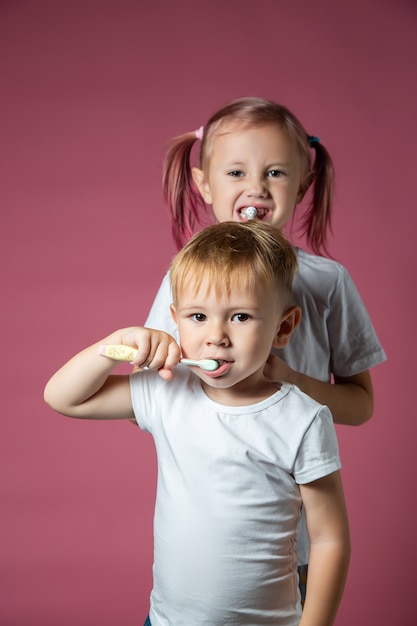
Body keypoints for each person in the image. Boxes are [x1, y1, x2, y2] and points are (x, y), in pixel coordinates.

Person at [44, 221, 351, 626]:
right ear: (175, 321)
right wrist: (117, 344)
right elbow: (62, 397)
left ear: (283, 327)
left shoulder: (304, 420)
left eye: (240, 317)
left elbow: (330, 539)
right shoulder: (166, 392)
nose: (216, 336)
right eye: (198, 316)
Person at [144, 96, 386, 601]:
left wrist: (290, 379)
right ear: (204, 183)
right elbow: (153, 392)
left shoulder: (327, 282)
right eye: (236, 172)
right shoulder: (184, 280)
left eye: (275, 172)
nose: (255, 187)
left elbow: (360, 405)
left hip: (290, 544)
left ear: (302, 181)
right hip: (208, 535)